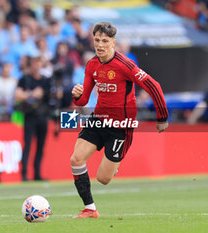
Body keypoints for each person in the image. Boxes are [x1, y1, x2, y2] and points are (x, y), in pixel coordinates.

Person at [70, 22, 168, 218]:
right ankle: (90, 209)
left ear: (113, 43)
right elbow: (83, 100)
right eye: (97, 40)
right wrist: (77, 95)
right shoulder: (92, 65)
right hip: (98, 119)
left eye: (105, 41)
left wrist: (162, 117)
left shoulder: (126, 65)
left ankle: (114, 164)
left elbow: (154, 86)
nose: (100, 45)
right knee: (76, 159)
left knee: (103, 179)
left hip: (120, 127)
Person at [14, 56, 51, 181]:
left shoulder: (46, 80)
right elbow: (17, 95)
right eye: (35, 63)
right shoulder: (25, 79)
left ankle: (37, 173)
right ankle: (24, 174)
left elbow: (50, 97)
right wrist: (31, 94)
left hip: (43, 116)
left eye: (39, 63)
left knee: (41, 146)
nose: (37, 66)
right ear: (31, 65)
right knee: (28, 145)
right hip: (30, 116)